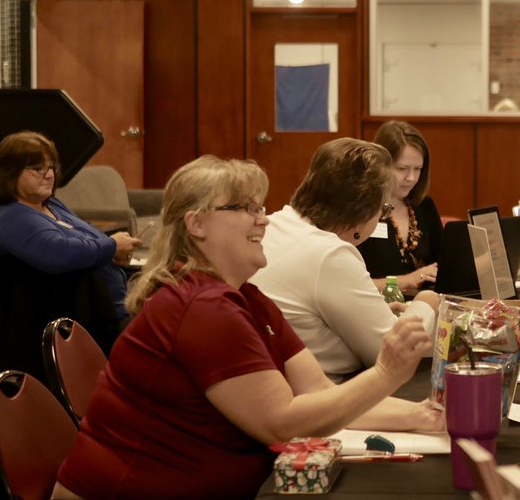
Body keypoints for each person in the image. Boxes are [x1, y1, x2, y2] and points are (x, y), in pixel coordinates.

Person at [53, 156, 437, 500]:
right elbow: (282, 424)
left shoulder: (248, 298)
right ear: (197, 223)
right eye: (245, 208)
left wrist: (427, 415)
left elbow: (318, 395)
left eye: (261, 207)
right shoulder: (201, 308)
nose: (264, 219)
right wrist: (387, 373)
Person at [252, 138, 440, 382]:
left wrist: (373, 312)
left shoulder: (277, 223)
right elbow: (391, 353)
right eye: (383, 209)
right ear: (365, 207)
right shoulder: (330, 254)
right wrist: (426, 303)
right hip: (321, 395)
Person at [0, 131, 139, 386]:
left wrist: (109, 252)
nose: (49, 174)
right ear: (10, 174)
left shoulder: (52, 205)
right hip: (71, 328)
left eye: (51, 167)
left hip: (103, 312)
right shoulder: (11, 216)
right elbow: (59, 253)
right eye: (37, 168)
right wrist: (109, 248)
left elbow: (87, 239)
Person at [357, 121, 442, 296]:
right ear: (380, 165)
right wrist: (406, 281)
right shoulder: (360, 209)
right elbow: (351, 285)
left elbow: (443, 265)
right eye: (402, 169)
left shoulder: (424, 206)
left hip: (425, 305)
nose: (411, 178)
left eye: (417, 169)